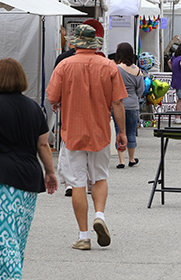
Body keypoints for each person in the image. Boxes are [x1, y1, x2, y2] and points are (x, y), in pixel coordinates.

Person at [0, 58, 58, 280]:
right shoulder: (33, 107)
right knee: (15, 232)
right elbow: (43, 144)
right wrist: (50, 172)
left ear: (1, 78)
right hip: (27, 177)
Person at [46, 24, 127, 250]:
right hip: (100, 131)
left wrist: (59, 103)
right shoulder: (109, 66)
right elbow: (118, 102)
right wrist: (121, 132)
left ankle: (83, 236)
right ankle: (99, 215)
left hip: (72, 132)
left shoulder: (64, 65)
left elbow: (52, 97)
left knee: (77, 183)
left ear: (75, 43)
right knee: (100, 177)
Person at [113, 43, 145, 169]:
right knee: (131, 132)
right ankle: (131, 159)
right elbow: (141, 90)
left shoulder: (115, 69)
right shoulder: (137, 71)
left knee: (119, 131)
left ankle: (121, 160)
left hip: (118, 104)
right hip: (133, 105)